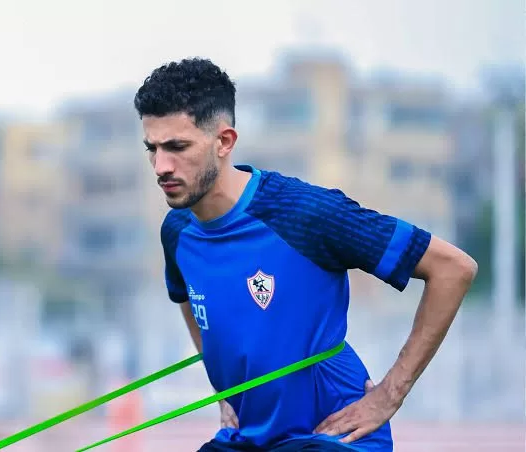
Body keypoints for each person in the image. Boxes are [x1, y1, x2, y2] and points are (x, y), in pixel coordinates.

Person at [133, 58, 477, 451]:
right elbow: (190, 301)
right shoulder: (177, 231)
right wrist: (223, 391)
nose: (161, 166)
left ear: (224, 141)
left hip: (331, 436)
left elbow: (453, 269)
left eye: (177, 147)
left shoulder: (305, 214)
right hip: (250, 436)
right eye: (152, 148)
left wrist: (389, 395)